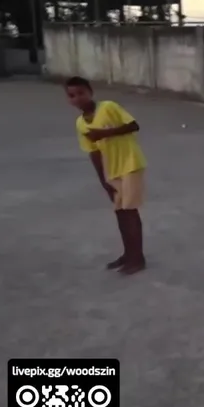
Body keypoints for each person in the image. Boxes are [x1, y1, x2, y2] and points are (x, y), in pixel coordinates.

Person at [66, 76, 147, 274]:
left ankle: (138, 258)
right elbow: (93, 152)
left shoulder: (108, 107)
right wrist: (103, 180)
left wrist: (104, 134)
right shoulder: (80, 123)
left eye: (81, 93)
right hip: (112, 170)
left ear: (90, 92)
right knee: (120, 212)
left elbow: (133, 125)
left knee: (130, 212)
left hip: (130, 163)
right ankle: (128, 253)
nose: (77, 98)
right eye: (72, 95)